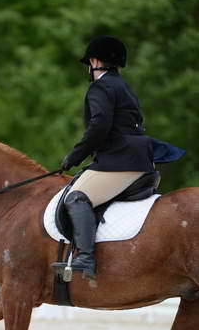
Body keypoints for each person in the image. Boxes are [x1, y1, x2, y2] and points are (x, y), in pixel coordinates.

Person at [59, 35, 169, 280]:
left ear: (96, 61)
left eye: (89, 61)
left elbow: (99, 126)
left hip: (122, 163)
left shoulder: (100, 87)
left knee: (76, 197)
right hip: (140, 158)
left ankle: (85, 258)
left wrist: (74, 156)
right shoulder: (123, 86)